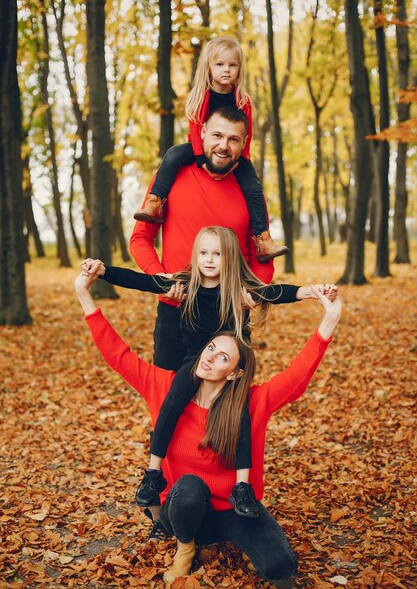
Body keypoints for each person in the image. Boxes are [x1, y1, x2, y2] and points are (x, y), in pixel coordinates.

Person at [74, 269, 341, 585]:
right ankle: (185, 548)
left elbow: (297, 376)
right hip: (184, 510)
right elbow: (116, 353)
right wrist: (84, 293)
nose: (210, 358)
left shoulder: (252, 403)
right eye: (211, 348)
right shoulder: (165, 387)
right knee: (189, 488)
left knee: (279, 566)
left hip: (232, 508)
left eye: (223, 357)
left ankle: (227, 537)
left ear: (234, 373)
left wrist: (330, 318)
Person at [82, 226, 335, 519]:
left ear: (229, 258)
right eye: (203, 253)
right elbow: (141, 281)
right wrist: (103, 271)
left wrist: (310, 292)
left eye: (217, 254)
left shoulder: (237, 288)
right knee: (170, 406)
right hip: (195, 363)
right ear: (195, 255)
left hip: (230, 367)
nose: (209, 260)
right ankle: (153, 474)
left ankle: (242, 487)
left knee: (240, 415)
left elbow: (274, 293)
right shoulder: (184, 285)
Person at [130, 105, 276, 373]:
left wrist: (255, 289)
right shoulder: (170, 177)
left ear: (244, 143)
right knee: (169, 399)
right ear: (203, 132)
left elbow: (261, 259)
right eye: (217, 136)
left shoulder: (251, 193)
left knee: (226, 406)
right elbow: (140, 239)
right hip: (175, 310)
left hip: (229, 313)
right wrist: (160, 278)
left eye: (233, 139)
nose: (224, 146)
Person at [133, 36, 287, 263]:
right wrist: (200, 159)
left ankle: (263, 238)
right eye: (220, 64)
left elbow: (248, 133)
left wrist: (240, 161)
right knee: (173, 154)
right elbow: (196, 129)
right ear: (209, 66)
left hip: (235, 154)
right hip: (199, 148)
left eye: (232, 65)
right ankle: (155, 202)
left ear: (239, 69)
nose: (226, 70)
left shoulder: (242, 100)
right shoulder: (200, 95)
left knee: (253, 187)